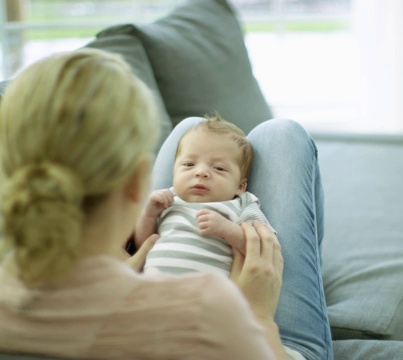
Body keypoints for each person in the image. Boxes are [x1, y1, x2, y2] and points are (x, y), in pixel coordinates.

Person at [0, 48, 333, 360]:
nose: (200, 174)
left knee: (192, 128)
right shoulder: (208, 309)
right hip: (260, 333)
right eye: (187, 167)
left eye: (216, 169)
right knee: (282, 134)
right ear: (136, 183)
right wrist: (260, 315)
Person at [136, 114, 274, 276]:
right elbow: (142, 246)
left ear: (240, 186)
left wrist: (227, 230)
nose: (201, 172)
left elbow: (263, 250)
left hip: (208, 294)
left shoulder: (242, 203)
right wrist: (149, 214)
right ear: (173, 173)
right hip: (151, 291)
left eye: (219, 168)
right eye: (189, 164)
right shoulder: (168, 200)